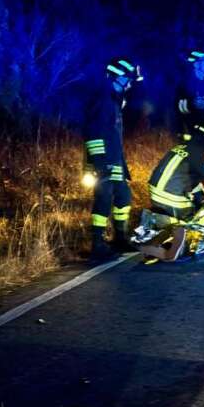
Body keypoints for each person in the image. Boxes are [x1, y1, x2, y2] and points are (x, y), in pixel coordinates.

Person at [85, 57, 141, 259]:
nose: (130, 83)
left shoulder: (114, 101)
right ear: (117, 77)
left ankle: (120, 238)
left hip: (115, 159)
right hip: (104, 160)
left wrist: (120, 162)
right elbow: (93, 133)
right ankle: (97, 244)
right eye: (128, 78)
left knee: (123, 196)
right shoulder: (103, 100)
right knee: (104, 198)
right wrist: (99, 162)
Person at [147, 132, 204, 219]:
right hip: (174, 201)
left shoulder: (188, 146)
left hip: (155, 196)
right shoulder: (203, 154)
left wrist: (201, 199)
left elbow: (191, 181)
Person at [175, 49, 204, 142]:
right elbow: (180, 108)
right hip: (192, 132)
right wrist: (193, 104)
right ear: (196, 64)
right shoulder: (185, 84)